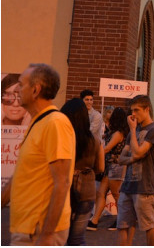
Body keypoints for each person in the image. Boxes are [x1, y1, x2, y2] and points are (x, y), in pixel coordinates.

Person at [1, 63, 75, 245]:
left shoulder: (55, 123)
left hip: (38, 231)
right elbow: (21, 175)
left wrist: (47, 236)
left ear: (35, 90)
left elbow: (62, 182)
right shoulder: (37, 122)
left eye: (21, 84)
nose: (17, 89)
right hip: (27, 228)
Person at [116, 95, 154, 246]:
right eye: (132, 110)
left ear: (147, 109)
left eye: (137, 110)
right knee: (122, 225)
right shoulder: (133, 132)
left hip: (145, 187)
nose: (133, 114)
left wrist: (134, 155)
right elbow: (121, 158)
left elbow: (136, 152)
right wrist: (133, 159)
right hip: (128, 185)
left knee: (149, 225)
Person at [61, 98, 105, 245]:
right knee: (78, 238)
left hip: (64, 188)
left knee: (60, 235)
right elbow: (101, 168)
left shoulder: (64, 137)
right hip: (86, 188)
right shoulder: (94, 140)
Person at [89, 106, 129, 231]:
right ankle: (94, 220)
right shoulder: (114, 132)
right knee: (101, 193)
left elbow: (107, 149)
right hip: (110, 167)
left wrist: (96, 154)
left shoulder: (118, 133)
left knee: (117, 195)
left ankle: (121, 220)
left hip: (116, 167)